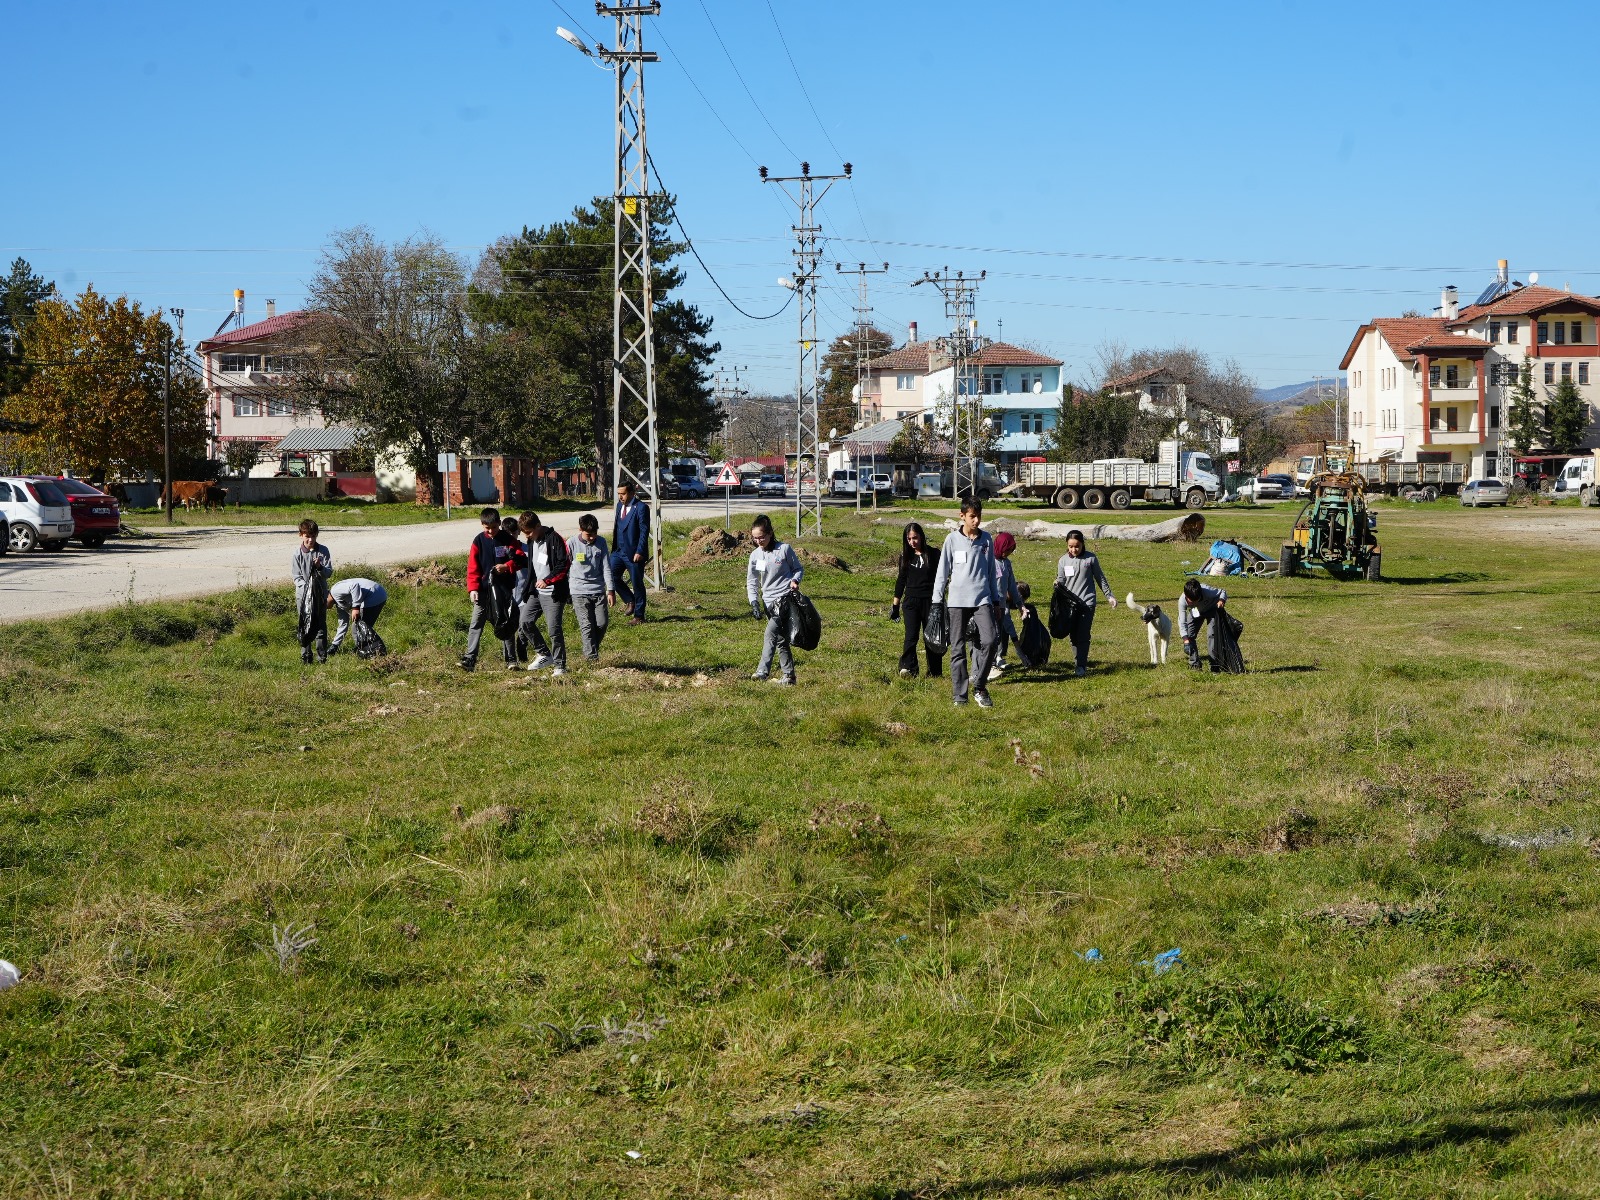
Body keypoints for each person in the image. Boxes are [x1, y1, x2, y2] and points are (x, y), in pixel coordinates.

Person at [932, 497, 1002, 708]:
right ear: (962, 516)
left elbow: (991, 572)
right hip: (957, 601)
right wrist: (937, 600)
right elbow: (942, 572)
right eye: (972, 516)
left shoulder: (987, 539)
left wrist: (996, 599)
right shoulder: (951, 540)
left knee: (990, 641)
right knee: (958, 649)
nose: (977, 520)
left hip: (983, 599)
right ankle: (959, 696)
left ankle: (979, 686)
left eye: (979, 516)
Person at [460, 507, 528, 672]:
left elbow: (521, 559)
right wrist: (473, 589)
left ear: (499, 523)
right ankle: (470, 659)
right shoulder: (478, 541)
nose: (490, 531)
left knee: (505, 623)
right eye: (487, 528)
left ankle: (512, 660)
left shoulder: (508, 540)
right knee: (476, 624)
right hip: (483, 592)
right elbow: (473, 567)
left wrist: (507, 566)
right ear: (482, 525)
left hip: (503, 591)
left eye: (494, 527)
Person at [746, 513, 803, 685]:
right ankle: (789, 676)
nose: (759, 541)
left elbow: (798, 569)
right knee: (781, 639)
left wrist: (795, 580)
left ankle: (762, 672)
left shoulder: (784, 550)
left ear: (770, 533)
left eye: (762, 537)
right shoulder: (755, 556)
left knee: (769, 634)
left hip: (784, 600)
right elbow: (752, 580)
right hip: (767, 602)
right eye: (755, 538)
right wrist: (754, 601)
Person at [1054, 529, 1117, 678]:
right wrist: (1057, 582)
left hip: (1087, 603)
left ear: (1082, 545)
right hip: (1070, 605)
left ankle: (1081, 665)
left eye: (1077, 546)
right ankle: (1078, 662)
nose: (1073, 549)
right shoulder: (1063, 561)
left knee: (1083, 634)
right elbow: (1062, 580)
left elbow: (1100, 578)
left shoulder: (1091, 559)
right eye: (1070, 546)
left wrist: (1109, 596)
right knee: (1073, 635)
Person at [518, 511, 571, 676]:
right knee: (525, 622)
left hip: (553, 592)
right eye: (525, 532)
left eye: (529, 531)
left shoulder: (555, 538)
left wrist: (548, 580)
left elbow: (563, 564)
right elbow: (533, 567)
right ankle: (544, 654)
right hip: (536, 591)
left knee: (554, 629)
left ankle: (560, 665)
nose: (527, 536)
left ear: (538, 526)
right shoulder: (531, 541)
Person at [891, 521, 943, 679]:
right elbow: (901, 581)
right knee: (911, 636)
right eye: (909, 539)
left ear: (921, 536)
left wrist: (940, 601)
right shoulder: (905, 557)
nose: (912, 542)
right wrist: (895, 605)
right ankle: (908, 668)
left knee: (931, 638)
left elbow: (942, 578)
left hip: (930, 602)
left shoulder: (934, 554)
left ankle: (934, 672)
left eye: (915, 537)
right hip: (911, 602)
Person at [291, 518, 332, 664]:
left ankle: (322, 657)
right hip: (303, 597)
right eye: (307, 536)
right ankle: (306, 657)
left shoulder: (323, 551)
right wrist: (307, 588)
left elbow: (328, 573)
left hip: (320, 596)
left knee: (320, 626)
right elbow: (296, 577)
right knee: (305, 625)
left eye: (313, 536)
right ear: (301, 535)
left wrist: (320, 567)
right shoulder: (297, 554)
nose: (310, 540)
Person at [1179, 578, 1241, 672]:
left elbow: (1222, 592)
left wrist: (1221, 600)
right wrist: (1186, 640)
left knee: (1212, 636)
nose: (1193, 602)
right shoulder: (1182, 601)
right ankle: (1195, 664)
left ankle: (1214, 665)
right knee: (1189, 635)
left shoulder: (1207, 591)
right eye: (1190, 601)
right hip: (1196, 613)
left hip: (1212, 611)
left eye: (1196, 600)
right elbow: (1182, 622)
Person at [988, 531, 1026, 681]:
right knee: (989, 636)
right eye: (1007, 550)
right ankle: (987, 666)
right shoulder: (989, 560)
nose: (1008, 553)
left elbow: (1011, 585)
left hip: (1001, 606)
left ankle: (994, 661)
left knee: (997, 636)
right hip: (988, 605)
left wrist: (1020, 605)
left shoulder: (1006, 563)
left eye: (1010, 551)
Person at [612, 480, 651, 623]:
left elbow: (644, 531)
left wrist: (640, 550)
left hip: (634, 553)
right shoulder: (618, 506)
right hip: (618, 551)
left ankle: (639, 616)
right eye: (618, 494)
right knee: (611, 576)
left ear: (631, 493)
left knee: (637, 584)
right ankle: (630, 600)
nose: (620, 497)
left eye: (623, 494)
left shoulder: (641, 508)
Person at [327, 576, 387, 656]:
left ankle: (366, 652)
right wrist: (335, 645)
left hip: (375, 594)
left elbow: (354, 585)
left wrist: (356, 607)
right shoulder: (339, 604)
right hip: (372, 597)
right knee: (360, 628)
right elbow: (343, 624)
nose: (324, 608)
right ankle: (368, 651)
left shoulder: (335, 590)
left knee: (357, 628)